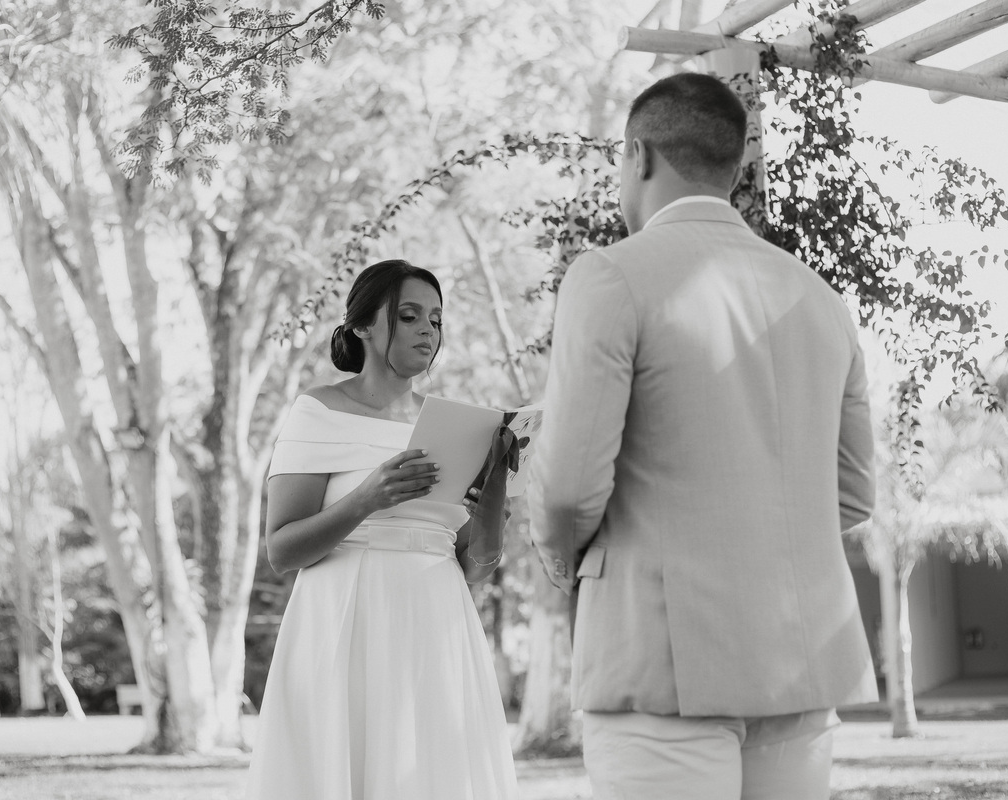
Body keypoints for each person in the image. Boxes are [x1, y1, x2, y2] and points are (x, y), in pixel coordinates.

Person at [528, 72, 878, 799]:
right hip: (800, 663)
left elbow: (565, 491)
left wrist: (562, 563)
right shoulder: (820, 299)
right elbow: (852, 494)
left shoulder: (610, 276)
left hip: (660, 659)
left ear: (638, 156)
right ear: (736, 166)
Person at [245, 260, 518, 800]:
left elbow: (475, 568)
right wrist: (368, 498)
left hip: (437, 622)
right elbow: (281, 550)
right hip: (344, 618)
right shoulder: (319, 410)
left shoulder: (459, 426)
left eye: (435, 320)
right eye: (409, 316)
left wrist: (493, 500)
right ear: (362, 326)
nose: (427, 331)